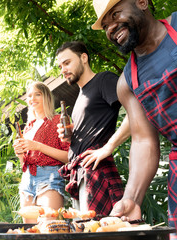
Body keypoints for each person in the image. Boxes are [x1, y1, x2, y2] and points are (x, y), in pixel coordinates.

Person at [91, 0, 177, 238]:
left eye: (115, 14)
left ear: (142, 2)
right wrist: (131, 198)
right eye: (105, 24)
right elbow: (143, 141)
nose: (111, 28)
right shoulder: (127, 83)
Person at [56, 41, 129, 216]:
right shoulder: (81, 95)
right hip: (78, 174)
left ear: (84, 58)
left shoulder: (104, 80)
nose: (63, 70)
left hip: (96, 172)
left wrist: (108, 147)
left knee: (97, 232)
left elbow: (137, 111)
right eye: (60, 66)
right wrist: (70, 136)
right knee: (85, 232)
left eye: (67, 63)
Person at [13, 82, 70, 223]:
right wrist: (20, 154)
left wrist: (38, 146)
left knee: (49, 228)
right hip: (27, 180)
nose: (32, 98)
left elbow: (68, 157)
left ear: (47, 97)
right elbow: (23, 164)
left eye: (37, 94)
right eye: (29, 96)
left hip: (49, 178)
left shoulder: (57, 121)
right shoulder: (28, 128)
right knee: (29, 232)